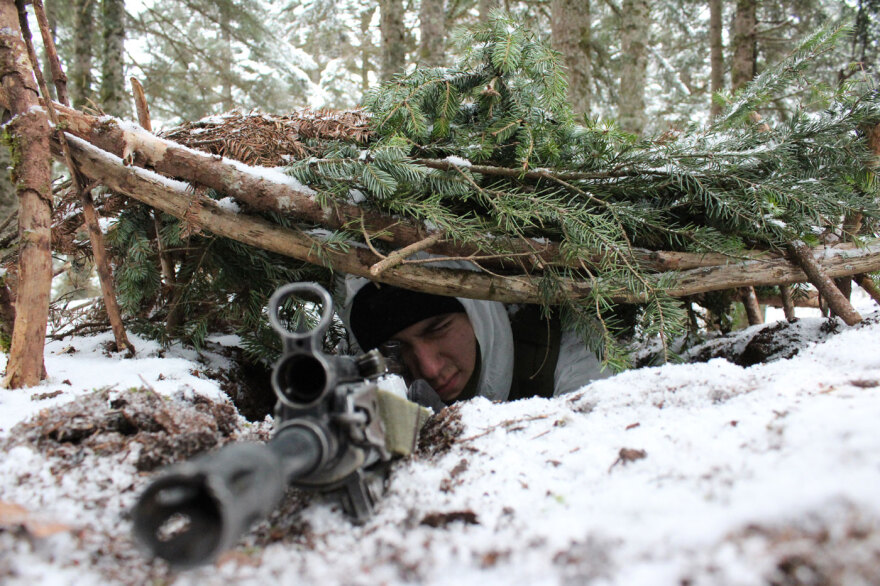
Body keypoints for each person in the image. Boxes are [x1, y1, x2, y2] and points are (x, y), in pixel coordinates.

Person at [339, 273, 608, 405]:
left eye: (438, 329)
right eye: (396, 347)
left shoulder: (567, 354)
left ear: (477, 312)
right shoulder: (352, 372)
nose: (429, 369)